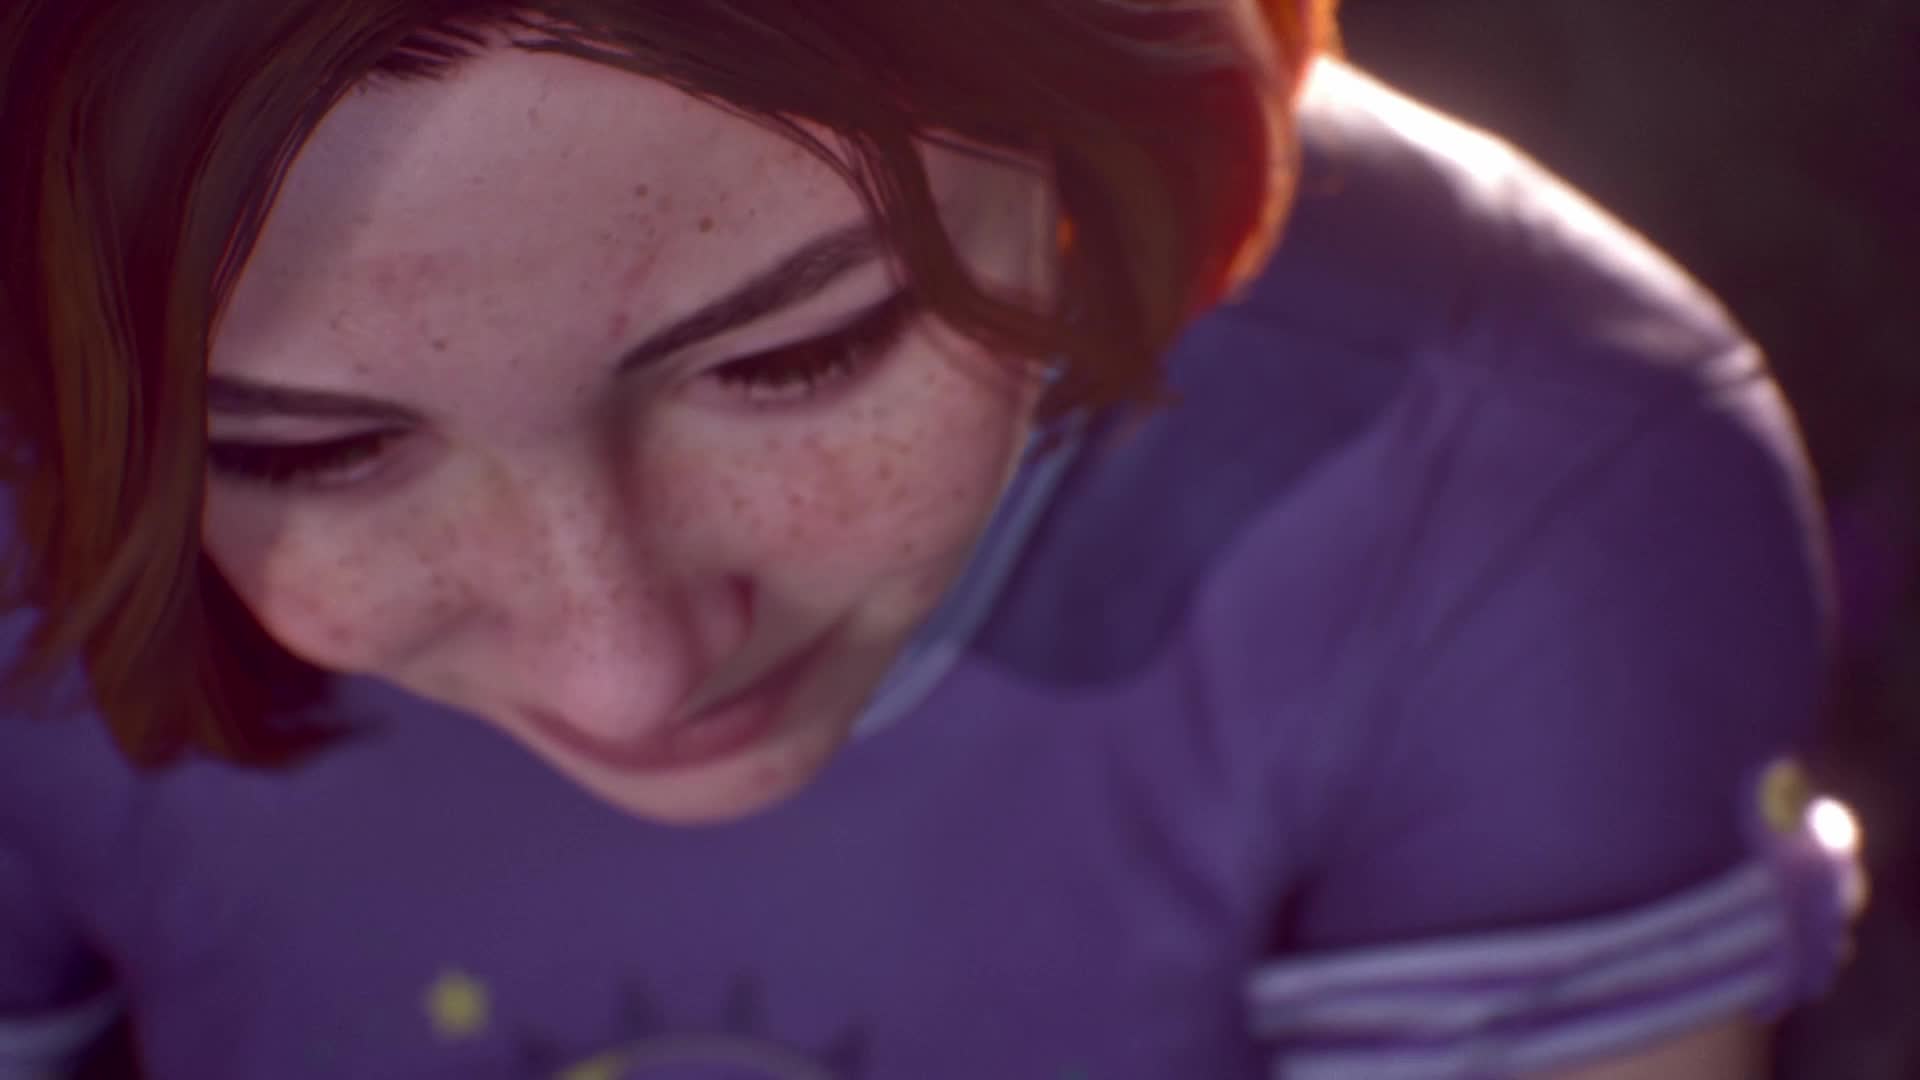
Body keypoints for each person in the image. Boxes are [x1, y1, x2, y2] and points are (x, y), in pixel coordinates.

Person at [0, 1, 1863, 1076]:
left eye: (799, 355)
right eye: (308, 451)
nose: (625, 668)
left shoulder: (1521, 487)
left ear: (1118, 143)